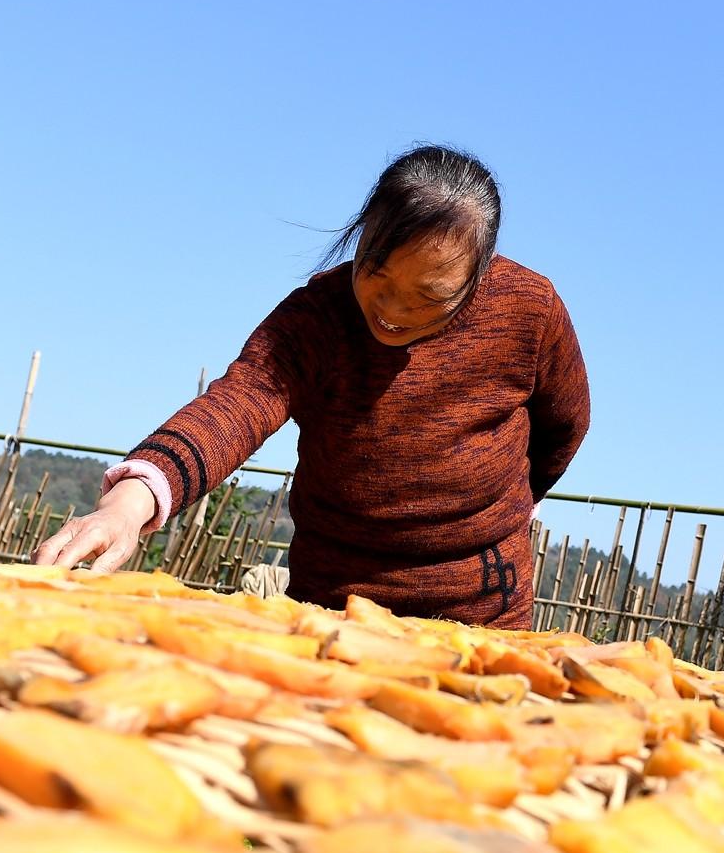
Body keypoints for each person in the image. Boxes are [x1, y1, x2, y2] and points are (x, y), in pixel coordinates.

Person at [34, 145, 590, 629]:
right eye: (376, 272)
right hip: (334, 605)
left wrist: (502, 505)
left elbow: (564, 427)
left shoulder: (530, 311)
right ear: (361, 234)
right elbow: (238, 403)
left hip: (481, 609)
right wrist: (127, 507)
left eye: (429, 295)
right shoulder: (318, 319)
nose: (392, 311)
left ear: (478, 276)